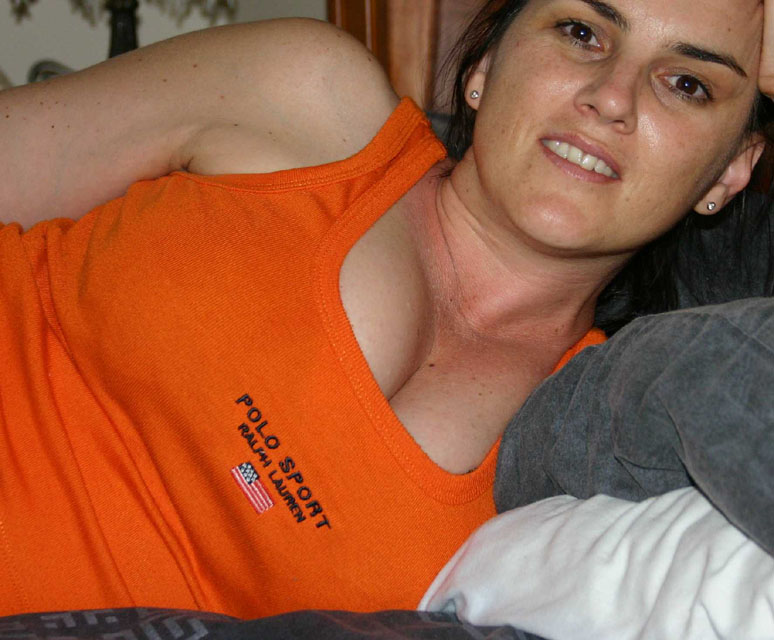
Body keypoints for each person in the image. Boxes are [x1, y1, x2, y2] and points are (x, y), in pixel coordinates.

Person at [0, 0, 770, 620]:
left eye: (688, 85)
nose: (612, 98)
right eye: (581, 32)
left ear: (729, 173)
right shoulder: (305, 98)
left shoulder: (596, 456)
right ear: (485, 64)